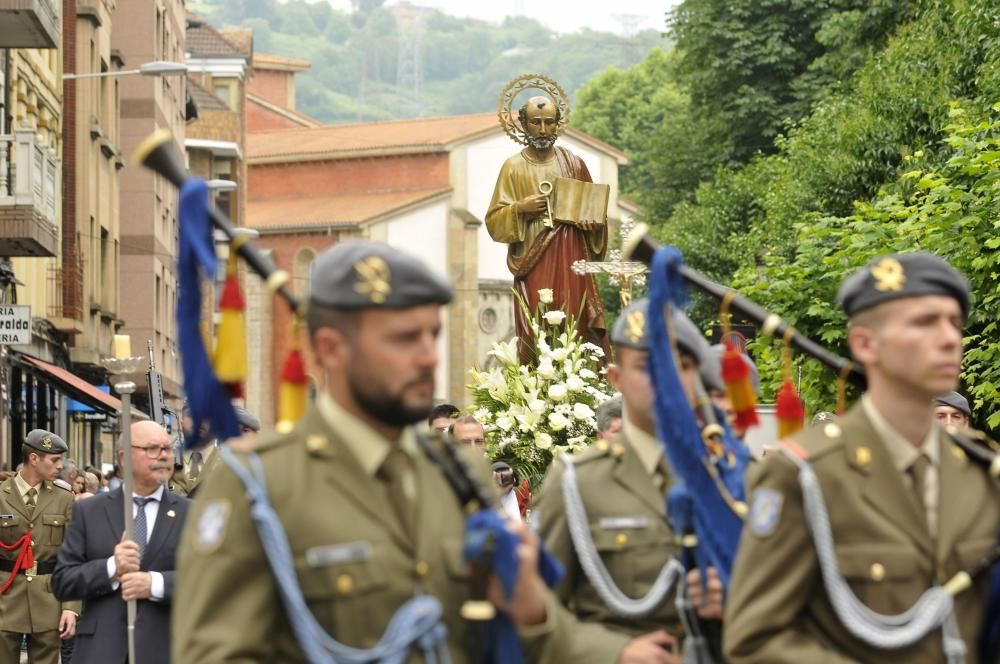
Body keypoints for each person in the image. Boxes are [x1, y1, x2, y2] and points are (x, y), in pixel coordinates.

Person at [174, 241, 578, 662]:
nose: (428, 357)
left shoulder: (457, 470)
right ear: (330, 348)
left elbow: (530, 629)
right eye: (403, 338)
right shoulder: (255, 484)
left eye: (432, 335)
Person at [724, 253, 1000, 662]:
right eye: (924, 322)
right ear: (864, 343)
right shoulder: (805, 474)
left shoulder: (980, 470)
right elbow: (754, 640)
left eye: (954, 323)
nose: (948, 338)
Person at [534, 298, 724, 663]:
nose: (666, 379)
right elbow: (534, 613)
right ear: (616, 378)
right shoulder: (576, 484)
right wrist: (613, 652)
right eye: (648, 366)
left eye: (681, 366)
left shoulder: (728, 476)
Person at [52, 421, 190, 664]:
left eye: (167, 449)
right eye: (152, 449)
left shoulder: (191, 514)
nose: (163, 456)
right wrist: (112, 567)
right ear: (124, 458)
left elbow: (208, 580)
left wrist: (155, 583)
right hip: (101, 650)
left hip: (168, 649)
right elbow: (63, 582)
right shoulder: (89, 511)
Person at [486, 94, 609, 355]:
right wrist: (520, 208)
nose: (543, 129)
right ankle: (536, 387)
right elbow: (494, 221)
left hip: (572, 258)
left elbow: (597, 215)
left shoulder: (574, 164)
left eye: (549, 122)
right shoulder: (513, 167)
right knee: (536, 326)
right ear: (523, 124)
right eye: (536, 122)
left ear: (557, 124)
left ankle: (579, 383)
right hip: (533, 260)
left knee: (574, 322)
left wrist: (592, 226)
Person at [0, 430, 79, 664]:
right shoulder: (1, 496)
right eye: (54, 460)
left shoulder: (64, 497)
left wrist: (71, 607)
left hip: (49, 599)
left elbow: (72, 556)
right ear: (34, 459)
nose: (60, 466)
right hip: (5, 598)